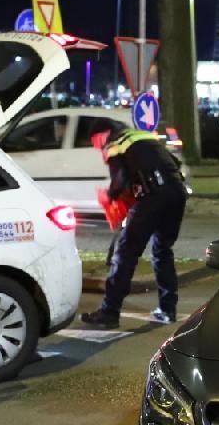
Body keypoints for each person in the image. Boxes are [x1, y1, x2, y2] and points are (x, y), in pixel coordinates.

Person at [81, 127, 189, 328]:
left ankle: (109, 312)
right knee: (163, 251)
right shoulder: (143, 138)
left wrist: (110, 196)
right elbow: (174, 164)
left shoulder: (114, 145)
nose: (98, 147)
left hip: (153, 195)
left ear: (101, 135)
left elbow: (120, 179)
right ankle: (167, 309)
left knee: (125, 253)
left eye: (96, 142)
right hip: (177, 192)